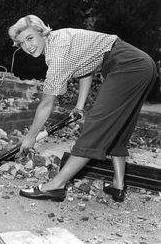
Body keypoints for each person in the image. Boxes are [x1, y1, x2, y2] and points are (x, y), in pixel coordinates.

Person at [8, 14, 157, 202]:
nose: (27, 46)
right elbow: (85, 70)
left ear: (41, 32)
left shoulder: (57, 53)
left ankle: (56, 185)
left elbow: (46, 104)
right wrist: (79, 106)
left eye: (30, 38)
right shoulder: (60, 39)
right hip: (142, 65)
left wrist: (30, 137)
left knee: (97, 125)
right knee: (118, 125)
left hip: (128, 65)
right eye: (21, 43)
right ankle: (118, 185)